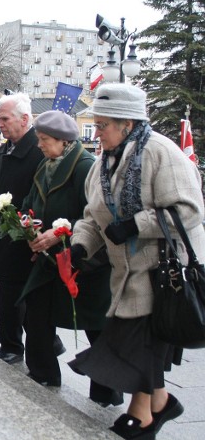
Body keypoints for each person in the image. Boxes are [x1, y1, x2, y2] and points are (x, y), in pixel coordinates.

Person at [68, 84, 203, 439]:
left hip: (162, 271)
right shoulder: (102, 164)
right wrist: (82, 245)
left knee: (138, 344)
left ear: (127, 124)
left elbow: (189, 210)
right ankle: (159, 403)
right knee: (136, 342)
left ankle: (143, 414)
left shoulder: (161, 152)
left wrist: (135, 225)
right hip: (125, 273)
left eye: (102, 126)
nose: (96, 134)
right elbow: (92, 216)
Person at [18, 110, 121, 407]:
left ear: (64, 141)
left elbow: (94, 217)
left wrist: (59, 232)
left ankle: (107, 389)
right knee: (35, 312)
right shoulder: (45, 165)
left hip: (84, 261)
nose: (39, 145)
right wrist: (27, 222)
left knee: (95, 324)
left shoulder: (85, 166)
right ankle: (42, 372)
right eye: (39, 139)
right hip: (50, 259)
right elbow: (31, 201)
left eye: (45, 139)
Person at [0, 93, 44, 364]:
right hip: (6, 231)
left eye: (4, 118)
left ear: (24, 119)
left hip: (28, 232)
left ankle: (27, 344)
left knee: (26, 294)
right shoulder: (4, 149)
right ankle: (10, 342)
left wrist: (28, 224)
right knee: (9, 289)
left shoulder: (38, 150)